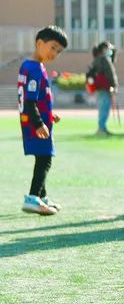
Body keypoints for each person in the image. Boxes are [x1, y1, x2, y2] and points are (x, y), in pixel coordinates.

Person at [18, 26, 68, 215]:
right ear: (39, 43)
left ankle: (42, 196)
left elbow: (37, 98)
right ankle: (32, 197)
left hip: (36, 119)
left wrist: (49, 115)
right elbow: (30, 101)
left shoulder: (28, 66)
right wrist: (39, 122)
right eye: (53, 47)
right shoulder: (35, 69)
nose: (55, 53)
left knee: (42, 156)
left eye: (59, 51)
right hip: (36, 123)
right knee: (45, 159)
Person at [89, 41, 118, 136]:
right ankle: (101, 129)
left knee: (103, 108)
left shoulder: (97, 59)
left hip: (100, 87)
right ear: (104, 49)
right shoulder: (104, 59)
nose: (110, 50)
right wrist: (114, 86)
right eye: (109, 48)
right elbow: (110, 74)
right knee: (104, 109)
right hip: (105, 87)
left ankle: (103, 128)